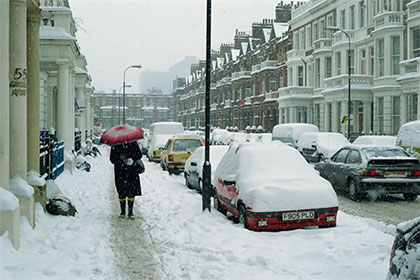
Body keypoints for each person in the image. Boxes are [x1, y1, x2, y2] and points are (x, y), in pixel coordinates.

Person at [110, 141, 143, 220]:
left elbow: (139, 155)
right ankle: (122, 212)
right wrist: (121, 160)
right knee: (121, 191)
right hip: (120, 172)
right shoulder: (116, 144)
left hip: (131, 172)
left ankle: (131, 212)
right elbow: (112, 159)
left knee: (132, 191)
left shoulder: (133, 143)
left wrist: (132, 158)